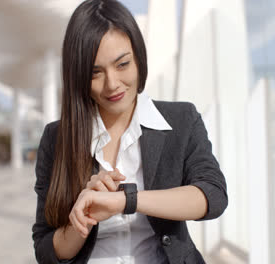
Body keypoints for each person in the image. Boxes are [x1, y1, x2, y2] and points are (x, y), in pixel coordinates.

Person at [32, 1, 228, 263]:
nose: (112, 84)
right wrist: (84, 217)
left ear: (138, 57)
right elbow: (46, 252)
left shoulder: (181, 120)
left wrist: (126, 201)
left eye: (122, 64)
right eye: (95, 73)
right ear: (77, 76)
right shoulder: (56, 139)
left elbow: (213, 195)